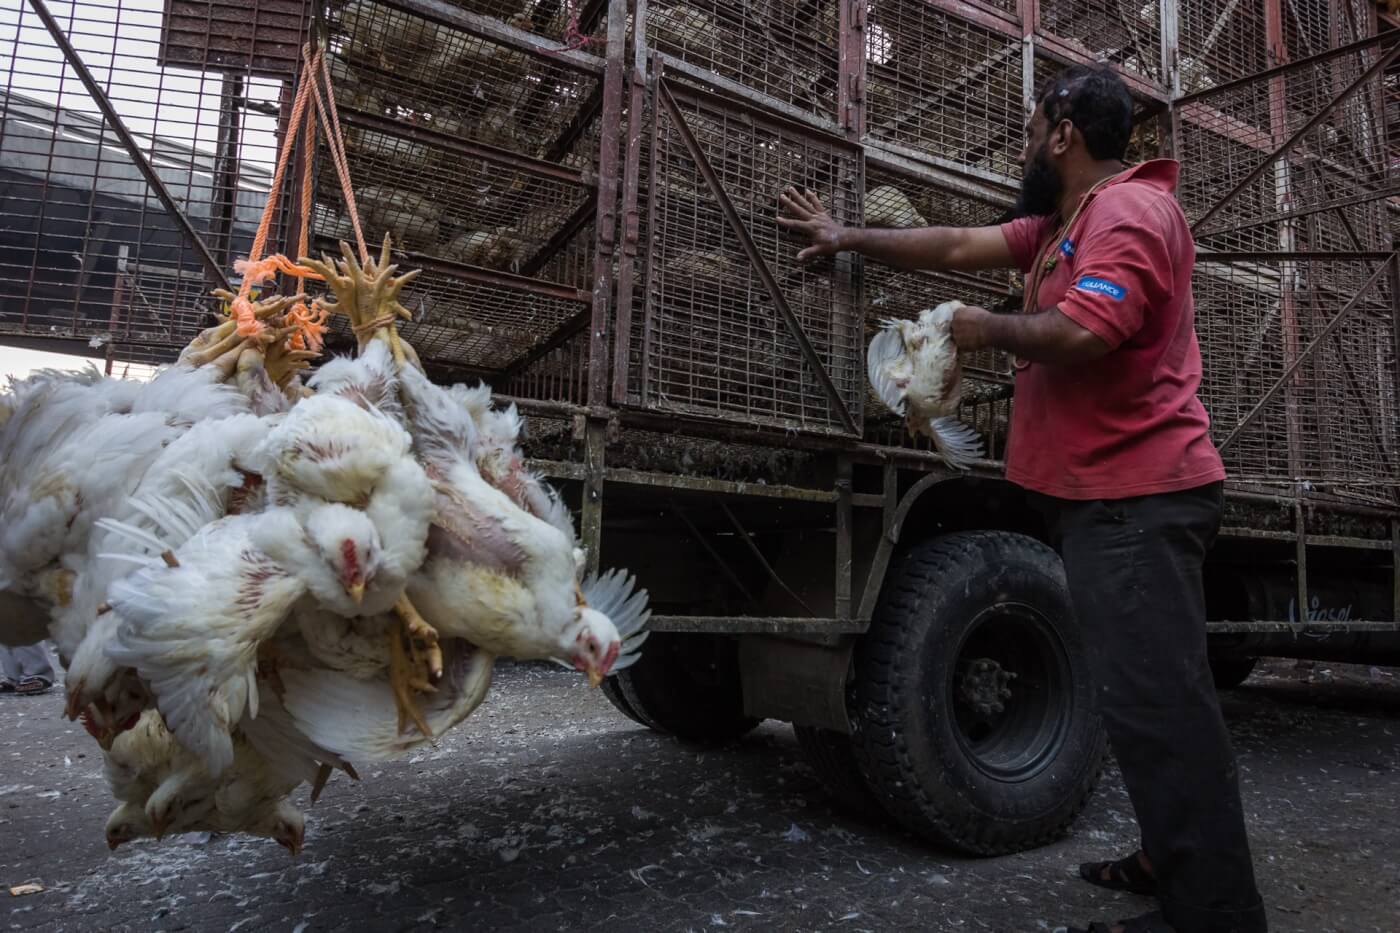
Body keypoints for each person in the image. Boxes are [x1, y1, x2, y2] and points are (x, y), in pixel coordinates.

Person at [778, 64, 1266, 933]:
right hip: (1104, 500)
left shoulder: (1130, 214)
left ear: (1063, 132)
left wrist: (979, 329)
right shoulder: (1066, 222)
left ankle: (1215, 913)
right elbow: (961, 243)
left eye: (1030, 124)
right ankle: (1170, 857)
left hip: (1138, 498)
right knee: (1137, 697)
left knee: (1163, 705)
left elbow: (1081, 330)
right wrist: (847, 238)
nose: (1022, 142)